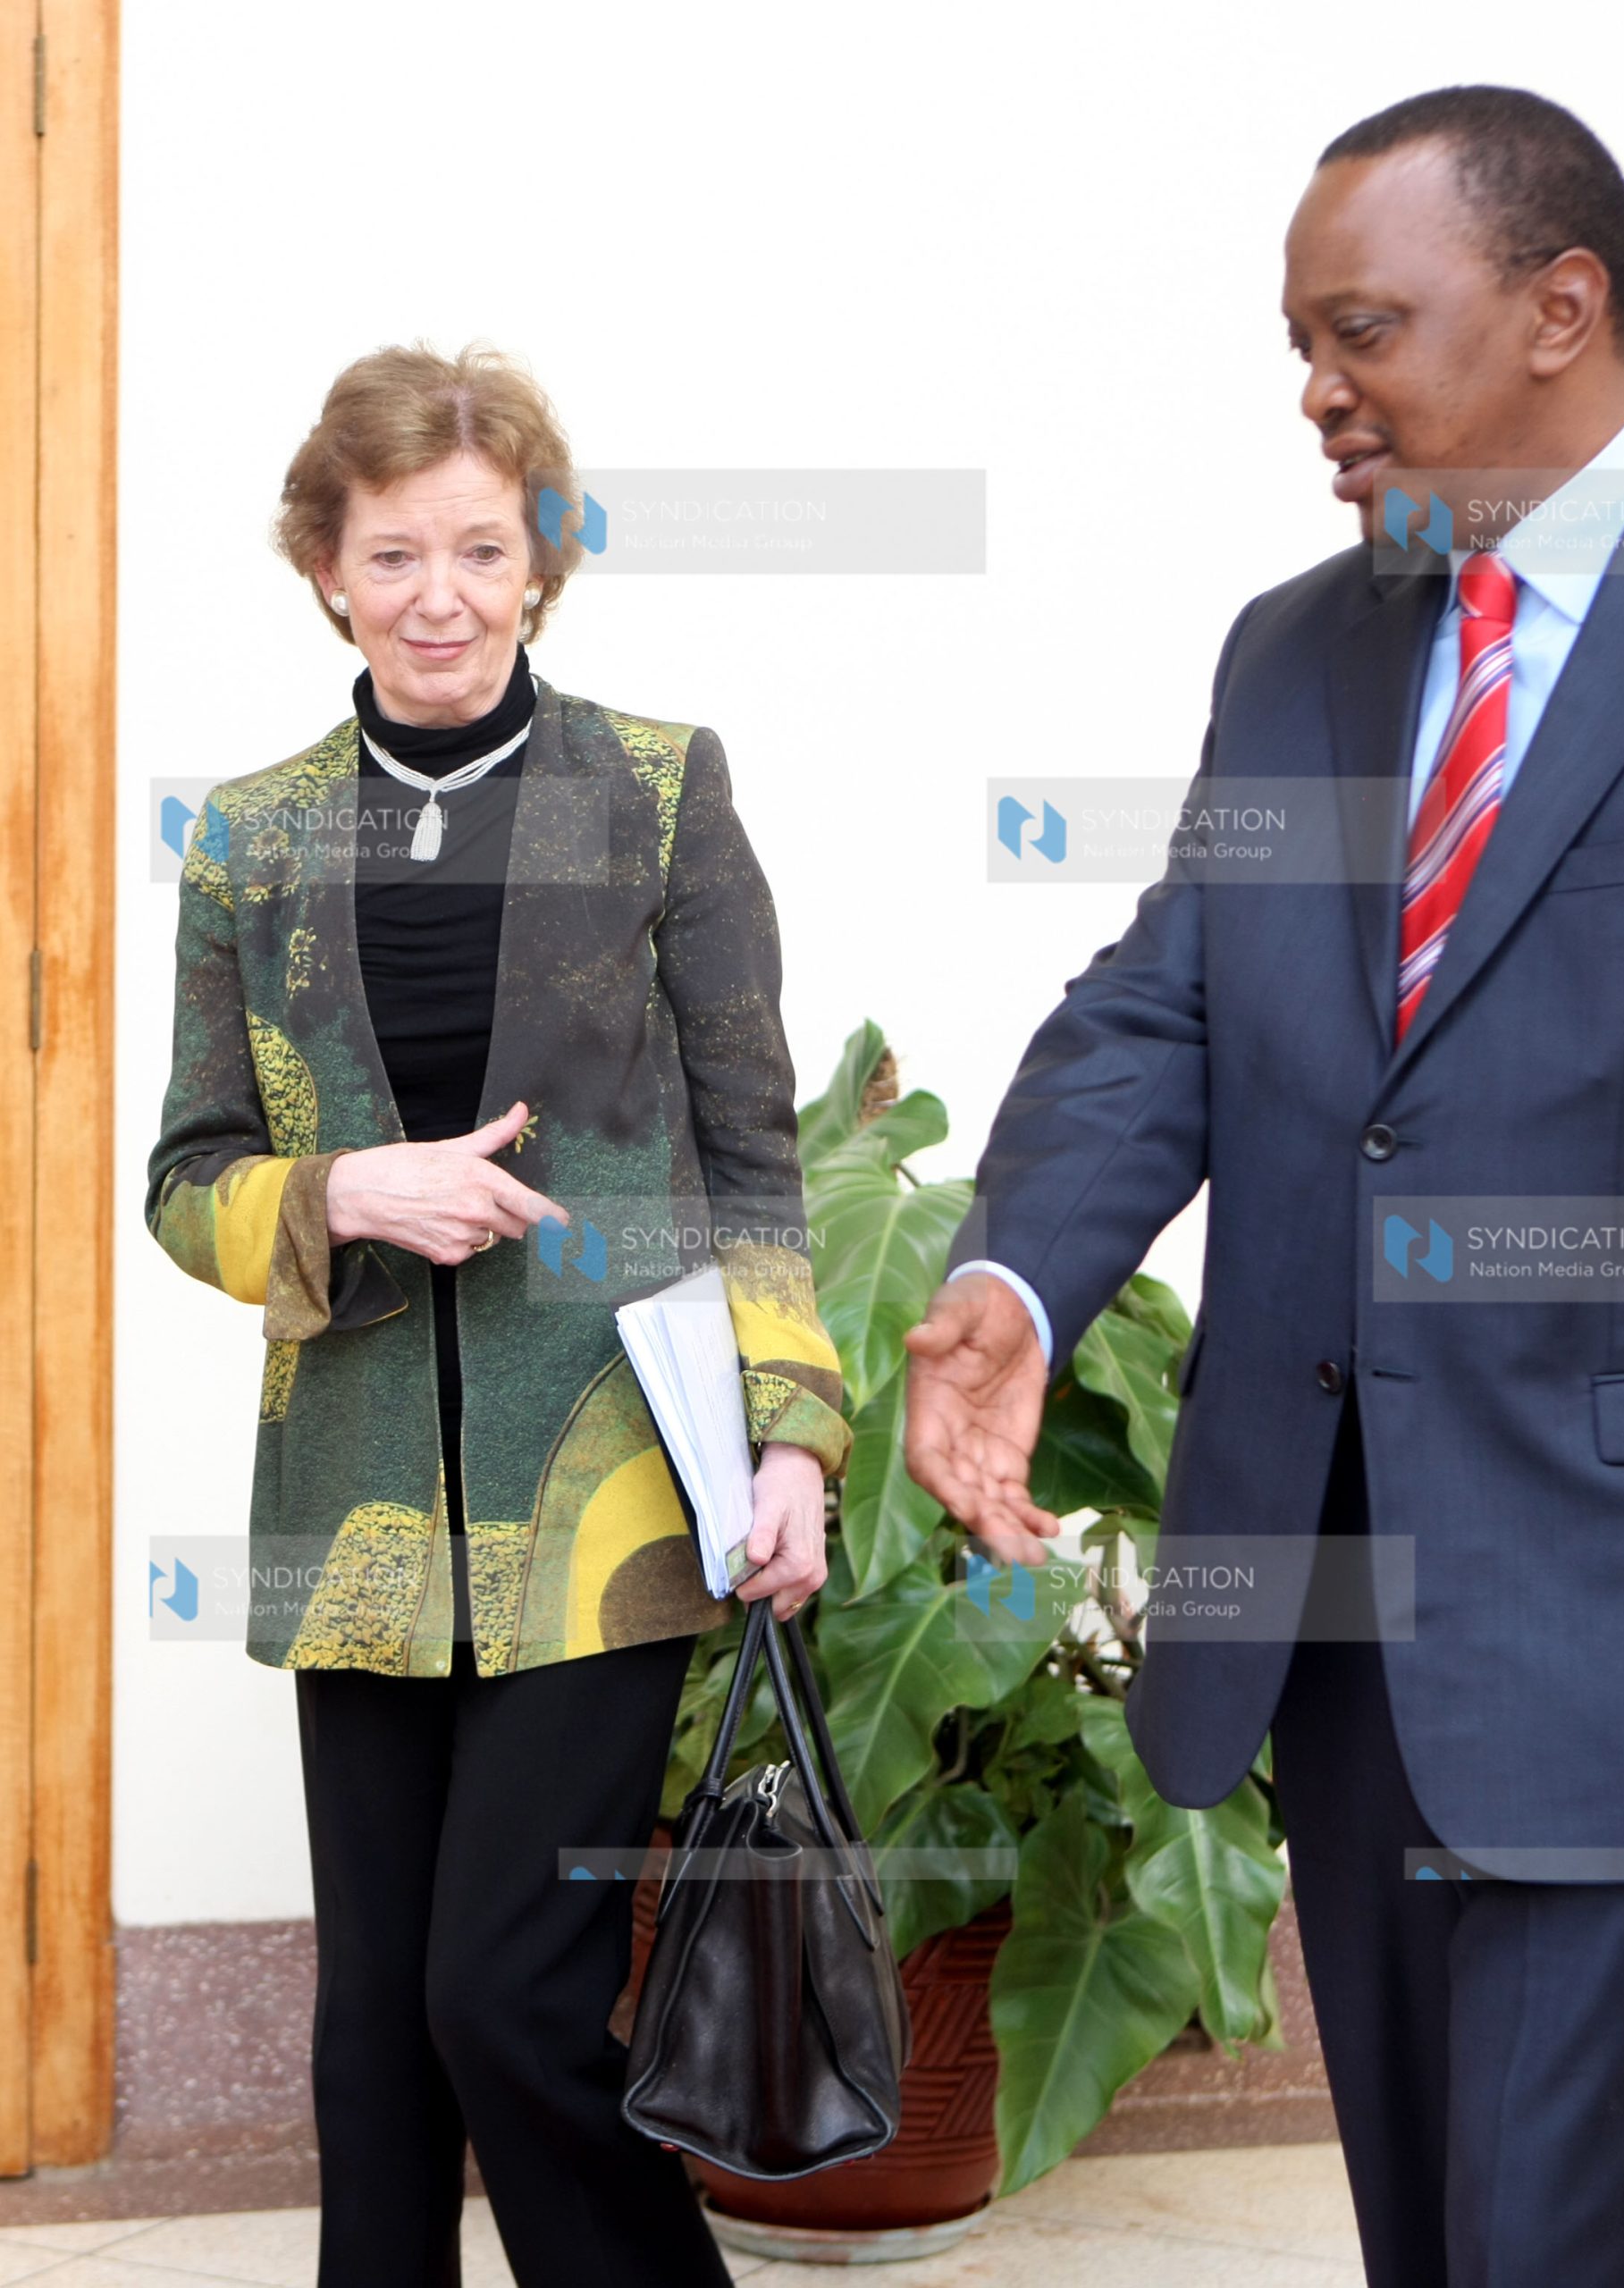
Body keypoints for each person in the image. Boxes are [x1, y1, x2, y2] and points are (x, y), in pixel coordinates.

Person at [903, 86, 1624, 2287]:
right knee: (1438, 2242)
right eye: (1297, 344)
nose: (1318, 395)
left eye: (1363, 330)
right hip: (1340, 1623)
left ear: (1561, 307)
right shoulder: (1300, 644)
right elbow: (1168, 999)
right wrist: (1022, 1280)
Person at [146, 342, 850, 2288]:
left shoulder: (654, 788)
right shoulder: (252, 836)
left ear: (540, 563)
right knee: (371, 2041)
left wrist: (793, 1425)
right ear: (327, 571)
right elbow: (184, 1173)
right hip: (355, 1503)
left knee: (501, 1999)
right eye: (393, 552)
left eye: (480, 546)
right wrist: (336, 1194)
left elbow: (753, 1154)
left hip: (604, 1495)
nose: (437, 590)